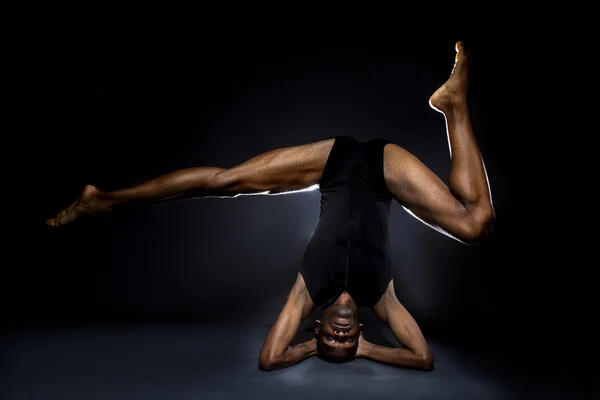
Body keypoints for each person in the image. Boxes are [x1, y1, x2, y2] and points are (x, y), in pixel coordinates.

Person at [47, 42, 494, 371]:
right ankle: (454, 107)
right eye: (347, 343)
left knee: (228, 181)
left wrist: (303, 350)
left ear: (315, 328)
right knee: (476, 223)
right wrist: (369, 351)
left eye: (329, 344)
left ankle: (102, 200)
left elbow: (269, 358)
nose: (340, 338)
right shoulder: (383, 300)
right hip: (384, 171)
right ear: (358, 331)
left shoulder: (305, 293)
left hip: (332, 164)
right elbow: (422, 357)